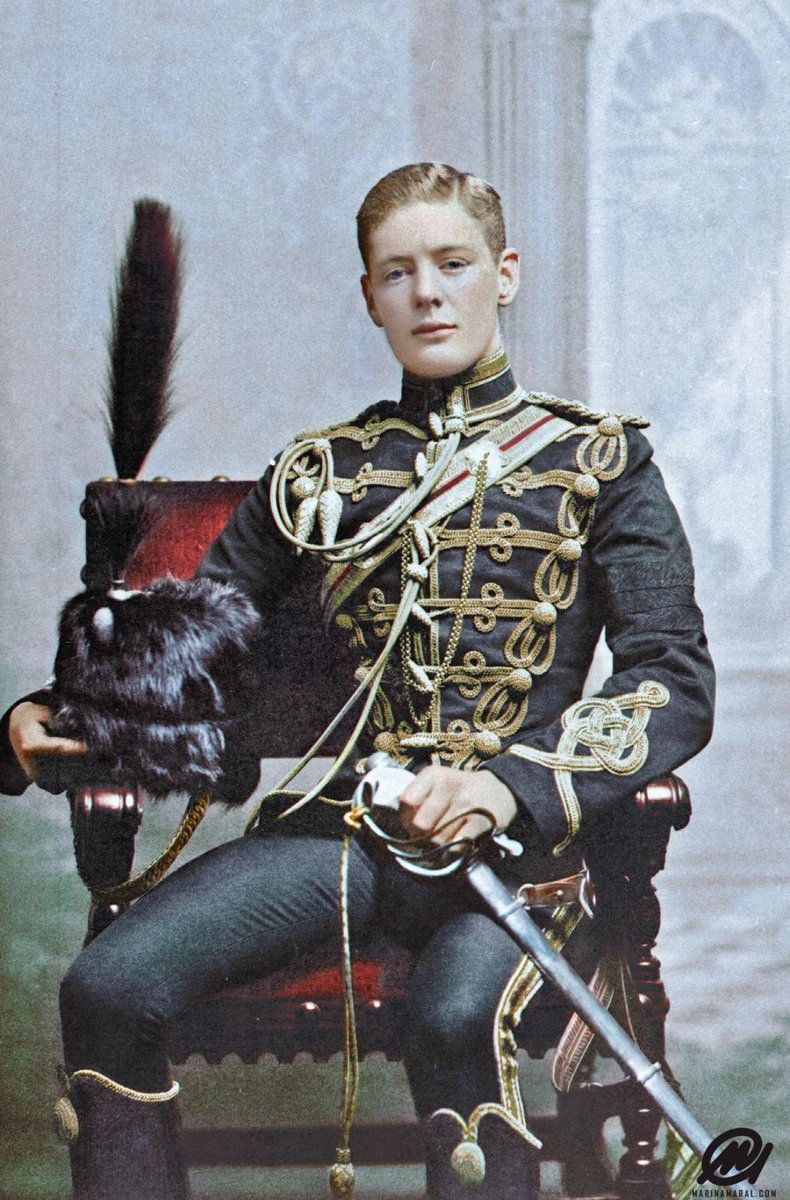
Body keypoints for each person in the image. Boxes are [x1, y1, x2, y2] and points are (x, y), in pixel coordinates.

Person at [1, 163, 715, 1200]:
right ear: (371, 296)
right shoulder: (322, 473)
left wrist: (501, 789)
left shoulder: (598, 462)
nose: (428, 293)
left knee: (452, 1017)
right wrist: (46, 717)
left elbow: (670, 673)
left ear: (502, 275)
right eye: (398, 273)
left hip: (520, 858)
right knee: (109, 987)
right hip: (349, 837)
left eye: (452, 265)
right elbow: (193, 655)